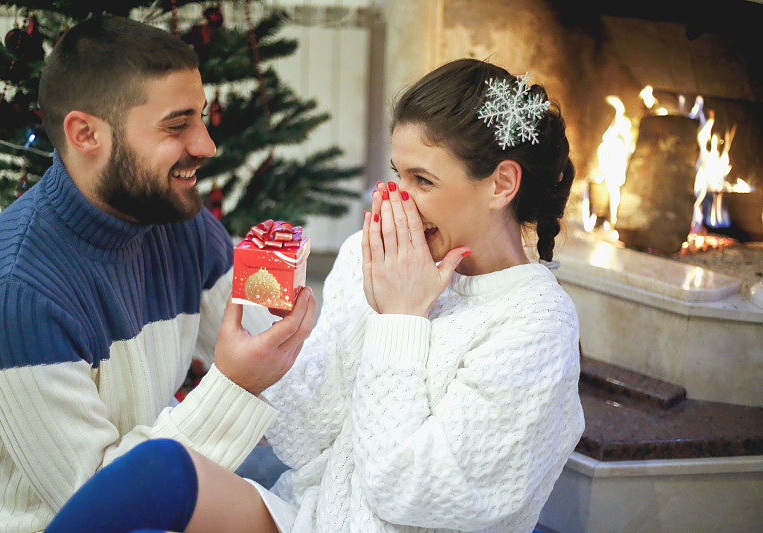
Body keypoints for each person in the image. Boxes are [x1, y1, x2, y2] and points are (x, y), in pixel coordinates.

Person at [44, 57, 584, 533]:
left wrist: (399, 320)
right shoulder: (379, 261)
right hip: (313, 518)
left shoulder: (536, 325)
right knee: (159, 471)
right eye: (397, 174)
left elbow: (405, 491)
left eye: (422, 180)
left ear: (501, 184)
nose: (397, 201)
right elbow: (305, 437)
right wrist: (280, 337)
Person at [0, 15, 315, 533]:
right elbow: (104, 505)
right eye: (177, 125)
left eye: (200, 118)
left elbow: (282, 358)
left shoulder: (178, 223)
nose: (207, 145)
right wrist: (237, 383)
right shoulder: (13, 292)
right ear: (86, 133)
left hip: (164, 492)